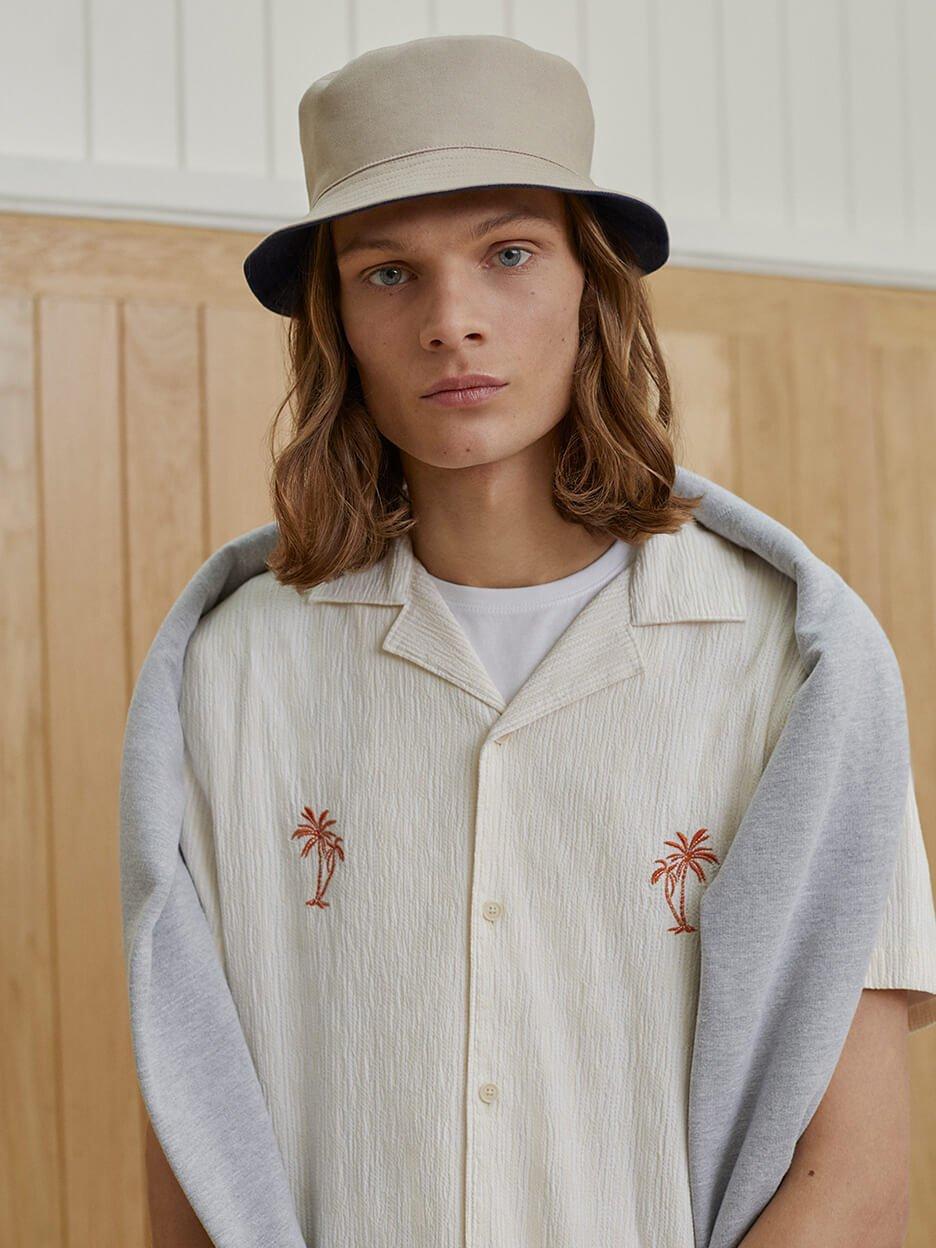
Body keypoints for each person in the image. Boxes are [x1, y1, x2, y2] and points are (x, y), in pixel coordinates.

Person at [139, 34, 936, 1248]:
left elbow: (862, 1181)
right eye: (388, 273)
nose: (452, 322)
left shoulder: (793, 663)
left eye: (509, 253)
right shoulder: (232, 668)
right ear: (335, 316)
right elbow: (194, 1135)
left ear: (590, 284)